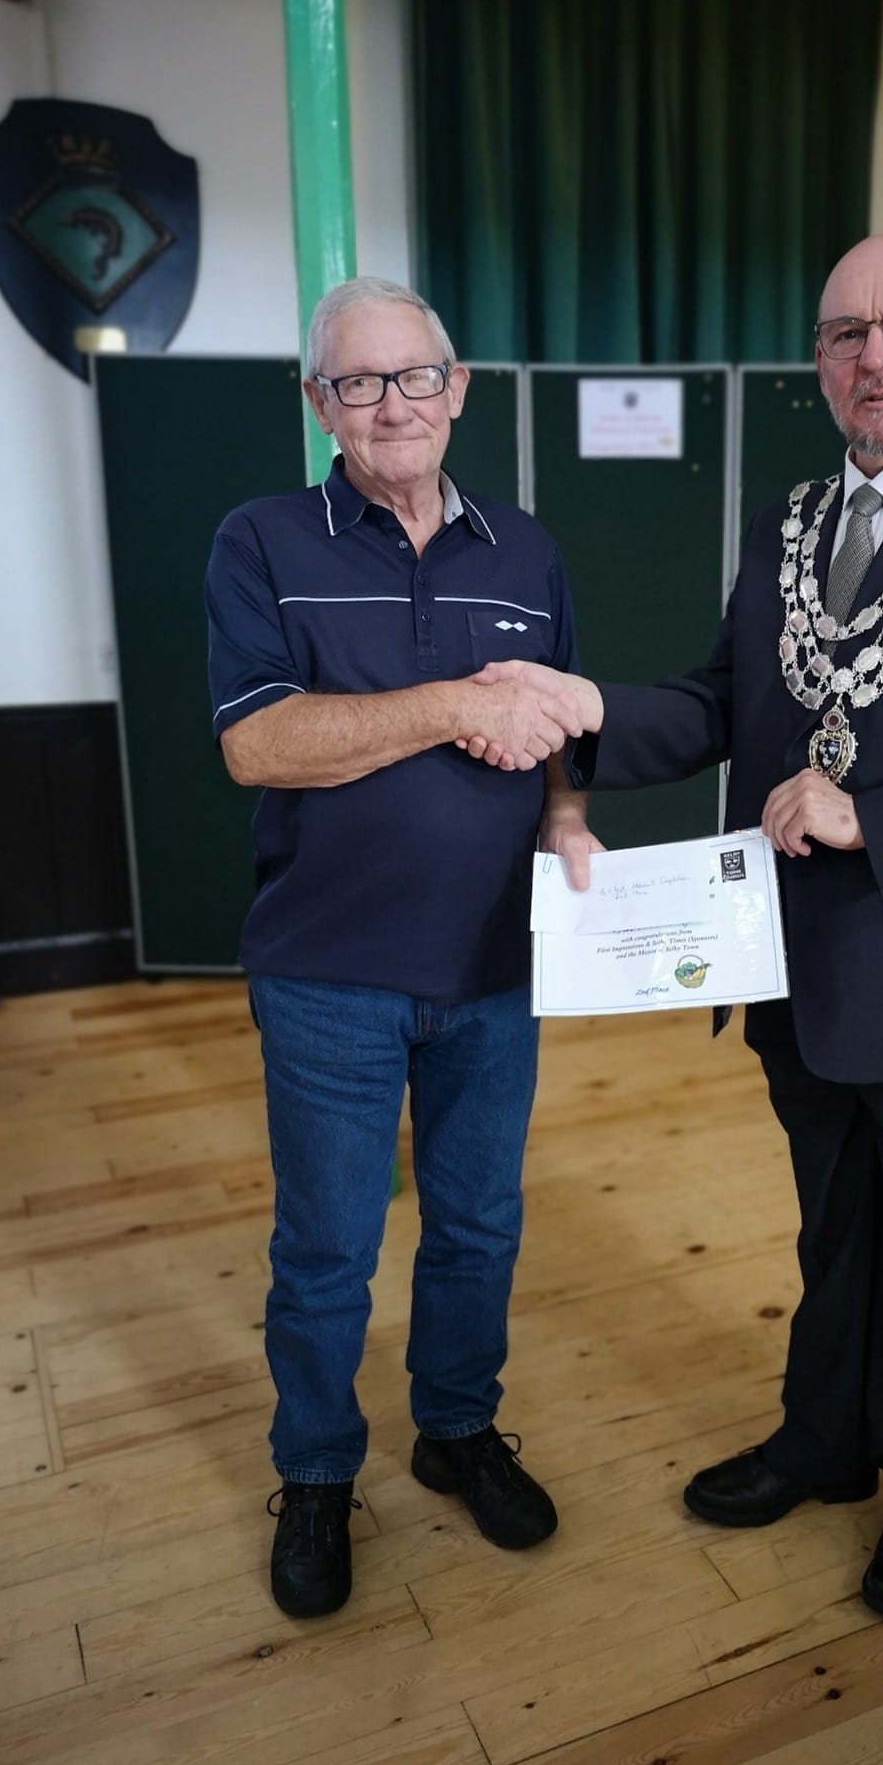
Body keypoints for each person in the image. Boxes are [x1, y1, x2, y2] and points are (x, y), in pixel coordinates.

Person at [463, 235, 883, 1620]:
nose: (872, 356)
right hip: (798, 965)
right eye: (843, 335)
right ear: (818, 365)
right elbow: (721, 704)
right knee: (836, 1233)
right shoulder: (790, 523)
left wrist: (873, 815)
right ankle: (824, 1445)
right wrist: (584, 709)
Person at [204, 277, 600, 1619]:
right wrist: (440, 707)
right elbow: (259, 741)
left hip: (498, 971)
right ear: (322, 404)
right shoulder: (261, 540)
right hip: (327, 977)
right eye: (359, 383)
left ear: (460, 386)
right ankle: (317, 1473)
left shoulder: (527, 551)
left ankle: (455, 1428)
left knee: (479, 1229)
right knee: (326, 1252)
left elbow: (563, 730)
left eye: (414, 376)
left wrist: (565, 817)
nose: (393, 405)